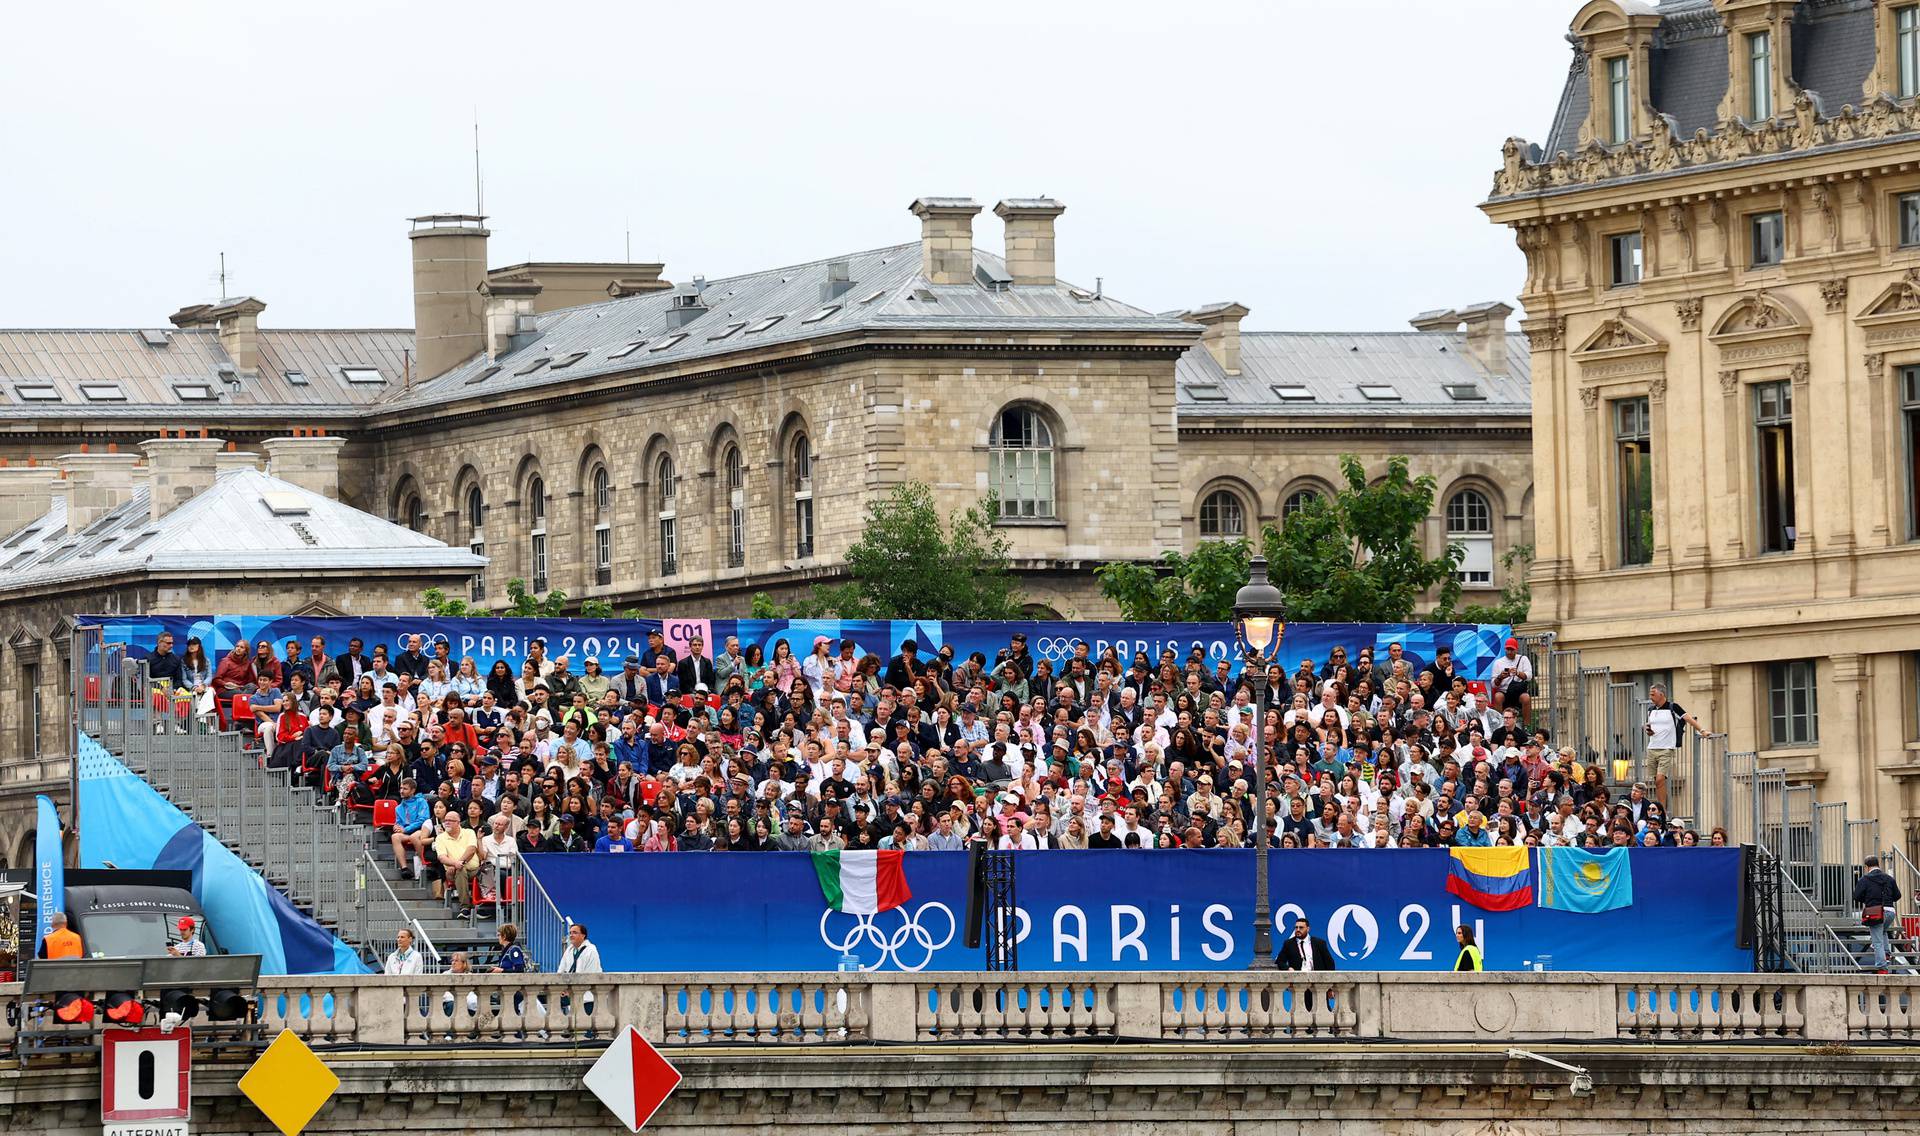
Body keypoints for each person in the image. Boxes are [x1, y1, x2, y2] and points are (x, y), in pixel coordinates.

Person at [1642, 684, 1706, 810]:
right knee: (1656, 781)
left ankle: (1662, 810)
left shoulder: (1673, 707)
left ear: (1661, 694)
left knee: (1660, 779)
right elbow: (1650, 727)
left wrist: (1702, 730)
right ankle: (1660, 807)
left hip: (1666, 748)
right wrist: (1648, 730)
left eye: (1653, 694)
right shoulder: (1650, 709)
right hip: (1652, 747)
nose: (1651, 697)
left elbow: (1688, 718)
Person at [1855, 855, 1902, 974]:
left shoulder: (1864, 879)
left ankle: (1881, 967)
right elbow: (1897, 895)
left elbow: (1857, 896)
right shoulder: (1889, 878)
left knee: (1877, 941)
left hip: (1876, 913)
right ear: (1878, 865)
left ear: (1866, 867)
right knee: (1883, 931)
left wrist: (1869, 900)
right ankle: (1886, 954)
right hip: (1890, 912)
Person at [434, 811, 481, 914]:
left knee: (486, 872)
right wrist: (456, 865)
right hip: (451, 873)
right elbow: (442, 858)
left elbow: (471, 850)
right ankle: (465, 907)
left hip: (474, 870)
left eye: (450, 820)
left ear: (458, 822)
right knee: (460, 870)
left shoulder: (469, 832)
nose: (447, 823)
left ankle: (481, 905)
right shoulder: (440, 838)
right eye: (445, 820)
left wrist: (457, 863)